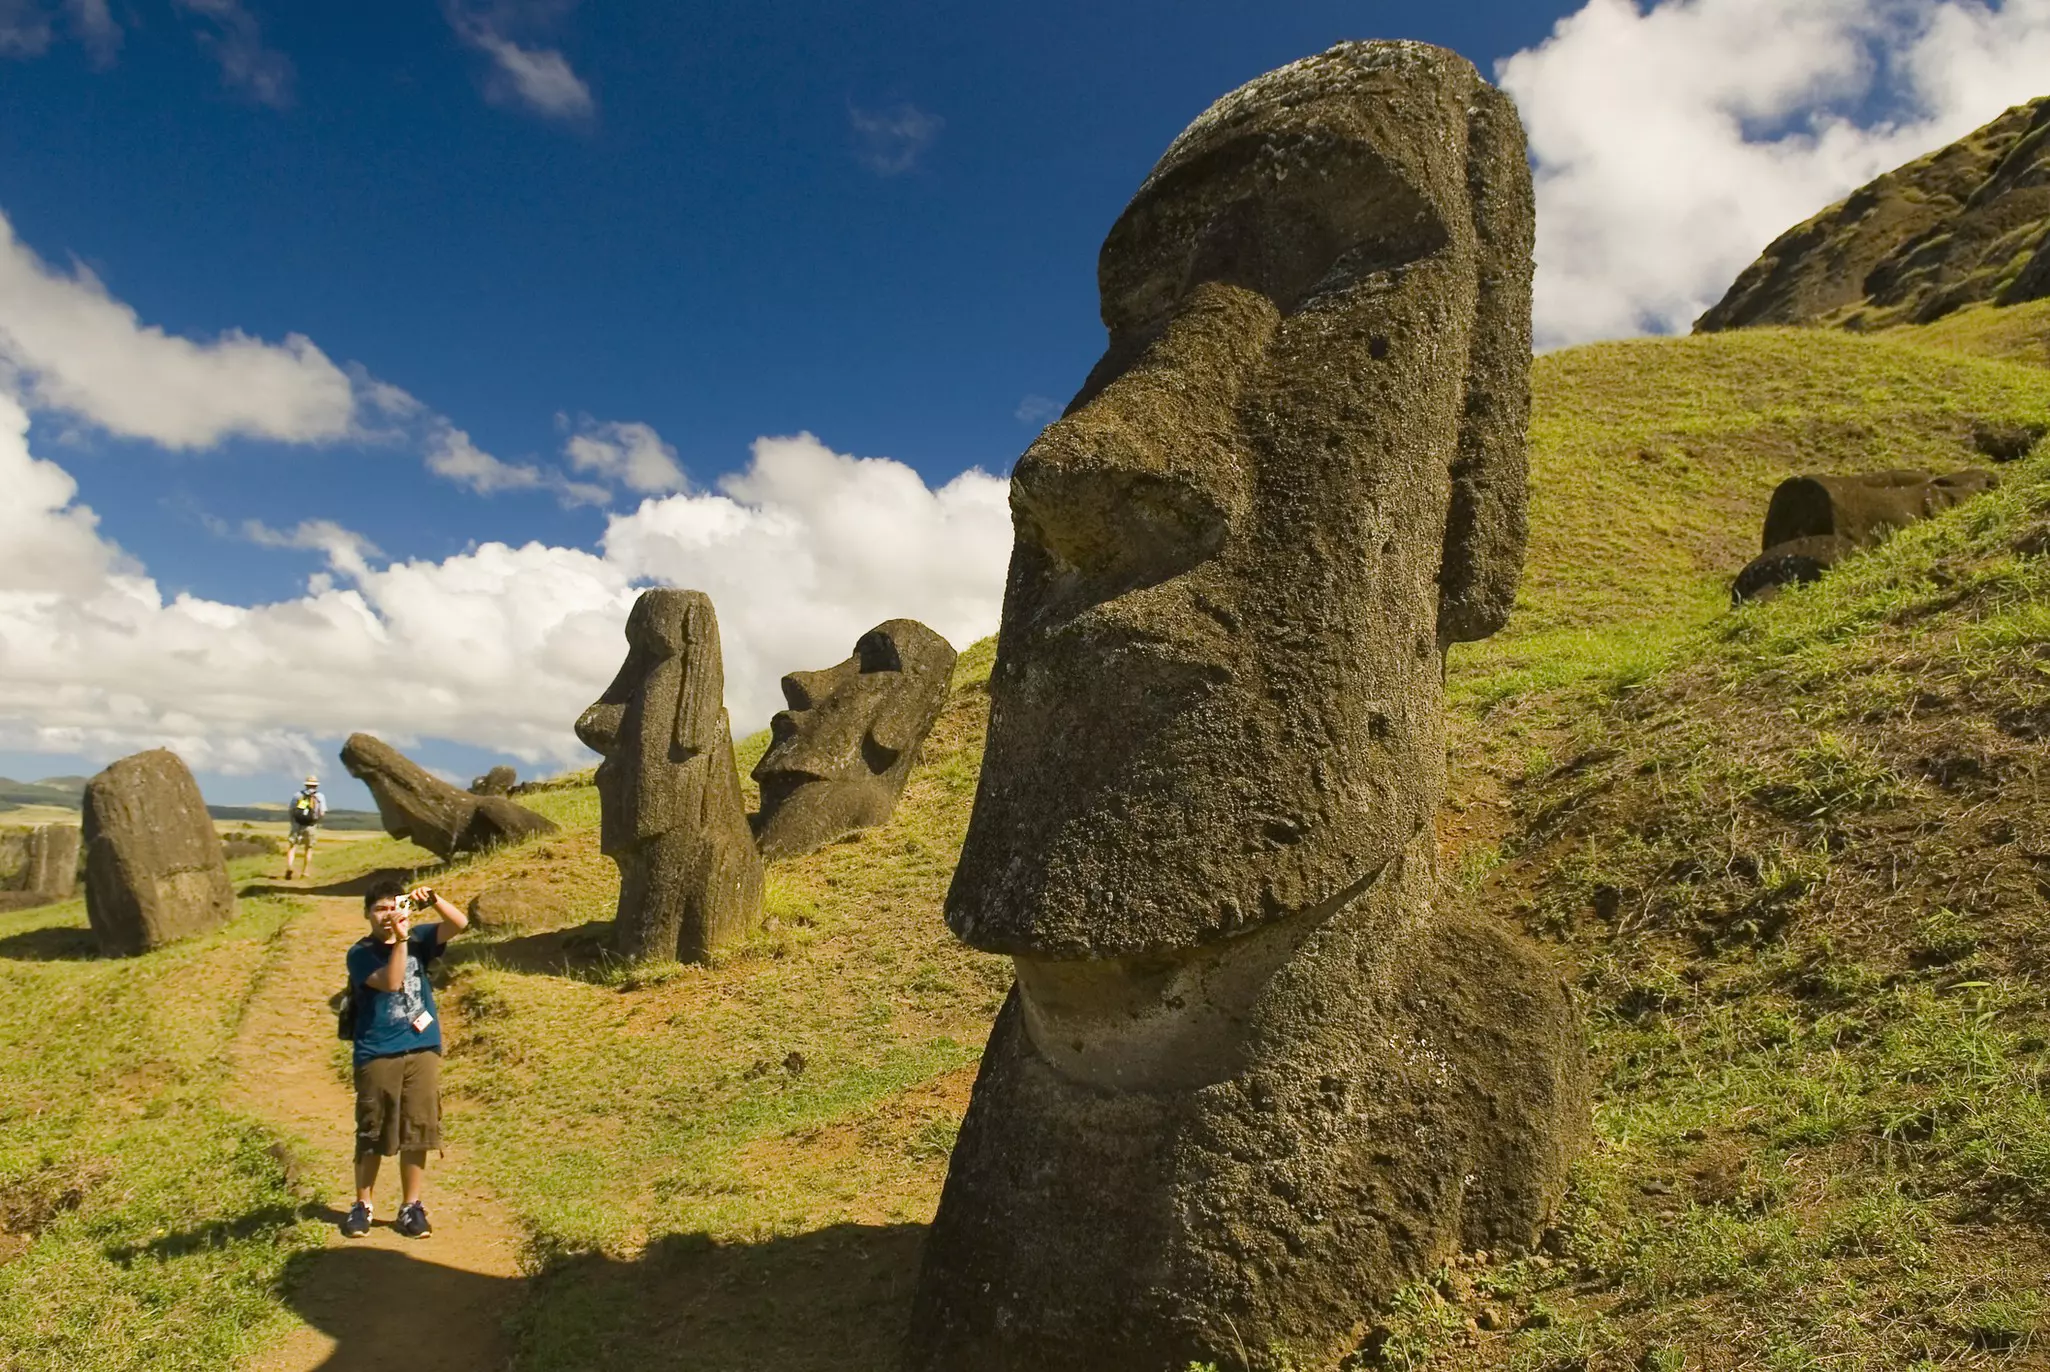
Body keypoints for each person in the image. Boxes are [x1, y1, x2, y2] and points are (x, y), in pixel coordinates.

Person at [340, 876, 468, 1239]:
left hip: (422, 1047)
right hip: (377, 1051)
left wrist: (434, 899)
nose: (387, 914)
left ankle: (411, 1206)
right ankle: (363, 1204)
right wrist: (399, 940)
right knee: (373, 1130)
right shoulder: (360, 953)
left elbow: (459, 923)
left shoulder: (420, 939)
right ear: (367, 914)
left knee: (418, 1129)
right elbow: (393, 982)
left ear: (406, 908)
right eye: (379, 908)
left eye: (394, 906)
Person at [283, 774, 327, 881]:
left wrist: (293, 822)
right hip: (310, 825)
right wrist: (316, 822)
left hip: (297, 824)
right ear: (316, 785)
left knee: (292, 846)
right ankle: (305, 872)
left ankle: (289, 866)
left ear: (306, 785)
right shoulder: (320, 797)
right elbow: (322, 812)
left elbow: (291, 810)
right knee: (308, 848)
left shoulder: (297, 795)